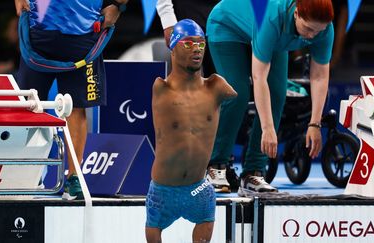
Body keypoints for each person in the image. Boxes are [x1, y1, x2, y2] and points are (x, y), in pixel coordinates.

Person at [206, 0, 334, 194]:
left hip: (273, 39)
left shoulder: (323, 28)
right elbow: (259, 77)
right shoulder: (273, 17)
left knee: (277, 94)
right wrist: (267, 128)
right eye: (308, 29)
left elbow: (319, 76)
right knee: (237, 93)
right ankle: (215, 165)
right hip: (227, 27)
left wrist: (315, 123)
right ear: (297, 14)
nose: (311, 36)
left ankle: (253, 173)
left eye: (317, 31)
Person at [14, 0, 128, 200]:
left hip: (83, 30)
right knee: (28, 105)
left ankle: (74, 178)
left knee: (76, 108)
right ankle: (26, 175)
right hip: (38, 28)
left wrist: (118, 6)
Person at [145, 19, 237, 242]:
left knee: (207, 212)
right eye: (188, 44)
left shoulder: (216, 87)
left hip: (198, 188)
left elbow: (237, 96)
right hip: (162, 191)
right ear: (173, 49)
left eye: (200, 44)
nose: (196, 49)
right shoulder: (161, 88)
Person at [156, 0, 219, 77]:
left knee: (217, 75)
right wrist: (168, 22)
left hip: (220, 11)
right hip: (187, 10)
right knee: (187, 75)